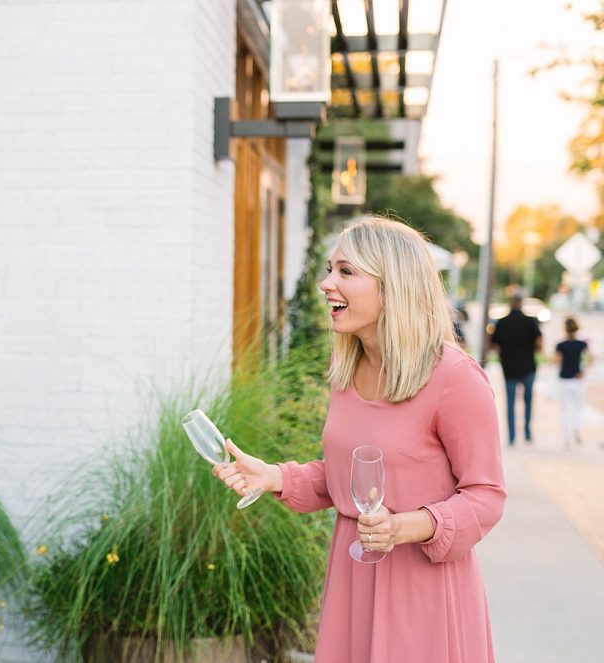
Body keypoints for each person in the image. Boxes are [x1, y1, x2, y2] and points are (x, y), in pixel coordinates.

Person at [213, 217, 506, 663]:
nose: (327, 283)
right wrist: (272, 477)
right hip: (354, 578)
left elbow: (486, 496)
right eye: (330, 269)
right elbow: (345, 477)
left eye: (346, 272)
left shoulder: (454, 378)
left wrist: (403, 527)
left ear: (394, 286)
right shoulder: (347, 369)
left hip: (421, 591)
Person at [490, 291, 543, 445]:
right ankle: (527, 431)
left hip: (509, 368)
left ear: (511, 302)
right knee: (528, 400)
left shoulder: (502, 322)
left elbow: (494, 345)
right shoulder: (530, 321)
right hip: (528, 367)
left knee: (510, 402)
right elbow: (539, 343)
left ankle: (512, 435)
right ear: (521, 302)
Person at [555, 316, 591, 449]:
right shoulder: (582, 344)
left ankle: (567, 437)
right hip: (577, 379)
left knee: (565, 410)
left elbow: (557, 361)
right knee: (578, 408)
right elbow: (590, 358)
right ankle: (577, 427)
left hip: (564, 379)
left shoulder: (561, 345)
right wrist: (583, 370)